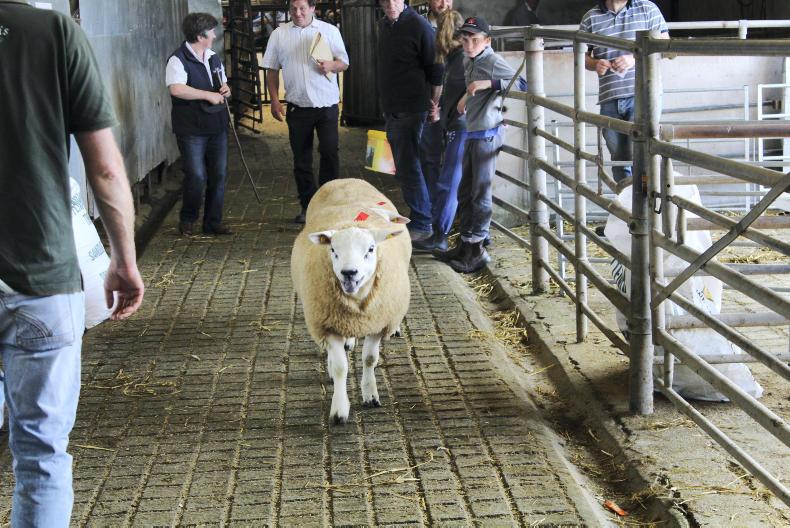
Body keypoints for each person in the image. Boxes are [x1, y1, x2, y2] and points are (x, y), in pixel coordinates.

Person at [0, 1, 144, 524]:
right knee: (40, 457)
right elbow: (104, 169)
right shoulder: (52, 31)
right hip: (39, 275)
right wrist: (123, 261)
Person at [436, 16, 527, 273]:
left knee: (480, 192)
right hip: (473, 131)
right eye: (465, 38)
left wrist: (487, 83)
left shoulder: (492, 61)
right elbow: (473, 86)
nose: (468, 43)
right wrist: (466, 96)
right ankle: (465, 243)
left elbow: (522, 84)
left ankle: (477, 250)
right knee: (465, 191)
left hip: (487, 134)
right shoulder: (470, 59)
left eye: (474, 39)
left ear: (487, 41)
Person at [263, 0, 349, 224]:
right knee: (302, 159)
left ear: (313, 8)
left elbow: (344, 62)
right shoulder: (279, 35)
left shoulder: (329, 31)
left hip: (327, 104)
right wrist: (274, 100)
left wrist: (332, 65)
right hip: (297, 106)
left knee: (329, 152)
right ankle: (308, 207)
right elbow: (271, 70)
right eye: (293, 9)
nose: (298, 13)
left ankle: (328, 206)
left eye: (302, 8)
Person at [377, 0, 444, 249]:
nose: (390, 4)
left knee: (411, 166)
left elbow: (437, 68)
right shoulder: (385, 25)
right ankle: (420, 218)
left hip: (413, 109)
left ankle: (422, 224)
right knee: (404, 167)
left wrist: (433, 105)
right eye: (385, 0)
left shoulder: (419, 25)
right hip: (393, 109)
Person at [580, 0, 668, 183]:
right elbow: (582, 56)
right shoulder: (590, 18)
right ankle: (627, 203)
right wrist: (595, 63)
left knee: (642, 153)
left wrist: (635, 57)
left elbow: (665, 44)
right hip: (609, 97)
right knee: (619, 158)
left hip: (643, 95)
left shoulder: (647, 9)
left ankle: (644, 205)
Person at [166, 12, 233, 236]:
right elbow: (176, 88)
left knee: (218, 175)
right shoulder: (178, 59)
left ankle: (213, 222)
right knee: (196, 175)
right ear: (200, 35)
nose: (214, 35)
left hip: (217, 125)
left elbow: (221, 82)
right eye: (211, 31)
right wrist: (207, 95)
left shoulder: (213, 57)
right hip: (192, 129)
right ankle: (188, 218)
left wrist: (225, 89)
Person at [416, 0, 455, 251]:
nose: (443, 3)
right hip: (430, 103)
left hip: (452, 105)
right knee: (430, 159)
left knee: (454, 169)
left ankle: (450, 223)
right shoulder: (420, 25)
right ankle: (431, 215)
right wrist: (432, 103)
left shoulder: (459, 24)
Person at [427, 10, 466, 253]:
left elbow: (513, 82)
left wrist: (467, 99)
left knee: (448, 183)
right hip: (456, 125)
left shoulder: (462, 59)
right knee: (463, 184)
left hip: (462, 128)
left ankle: (440, 235)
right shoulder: (456, 59)